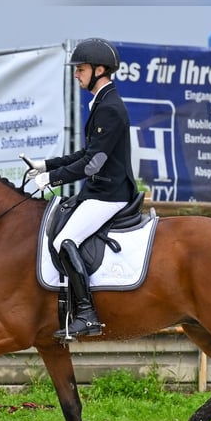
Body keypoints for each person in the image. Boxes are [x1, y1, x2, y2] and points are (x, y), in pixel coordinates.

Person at [27, 38, 138, 340]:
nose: (76, 74)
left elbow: (93, 164)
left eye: (81, 69)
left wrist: (54, 180)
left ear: (99, 70)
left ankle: (88, 315)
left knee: (65, 240)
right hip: (100, 191)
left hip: (110, 193)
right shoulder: (102, 103)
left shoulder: (110, 108)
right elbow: (85, 153)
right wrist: (46, 166)